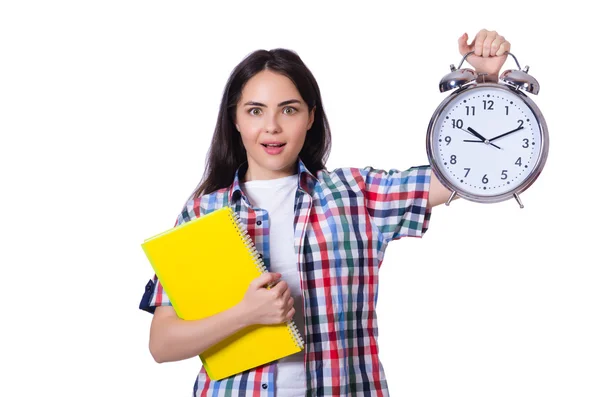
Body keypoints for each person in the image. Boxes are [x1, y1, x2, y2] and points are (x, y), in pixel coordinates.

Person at [139, 29, 511, 396]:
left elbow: (461, 175)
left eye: (289, 109)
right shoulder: (204, 212)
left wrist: (484, 84)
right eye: (255, 111)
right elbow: (163, 343)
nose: (272, 126)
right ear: (235, 119)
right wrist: (246, 314)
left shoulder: (354, 194)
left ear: (311, 116)